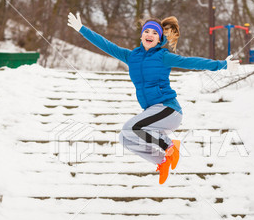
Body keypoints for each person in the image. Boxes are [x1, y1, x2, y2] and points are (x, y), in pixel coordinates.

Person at [67, 12, 239, 184]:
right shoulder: (131, 56)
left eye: (155, 33)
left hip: (168, 109)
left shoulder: (163, 57)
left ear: (159, 39)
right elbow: (105, 45)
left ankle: (169, 146)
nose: (150, 34)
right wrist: (81, 29)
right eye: (147, 31)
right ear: (141, 35)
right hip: (153, 113)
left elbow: (191, 62)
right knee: (125, 138)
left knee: (131, 128)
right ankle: (161, 161)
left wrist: (222, 65)